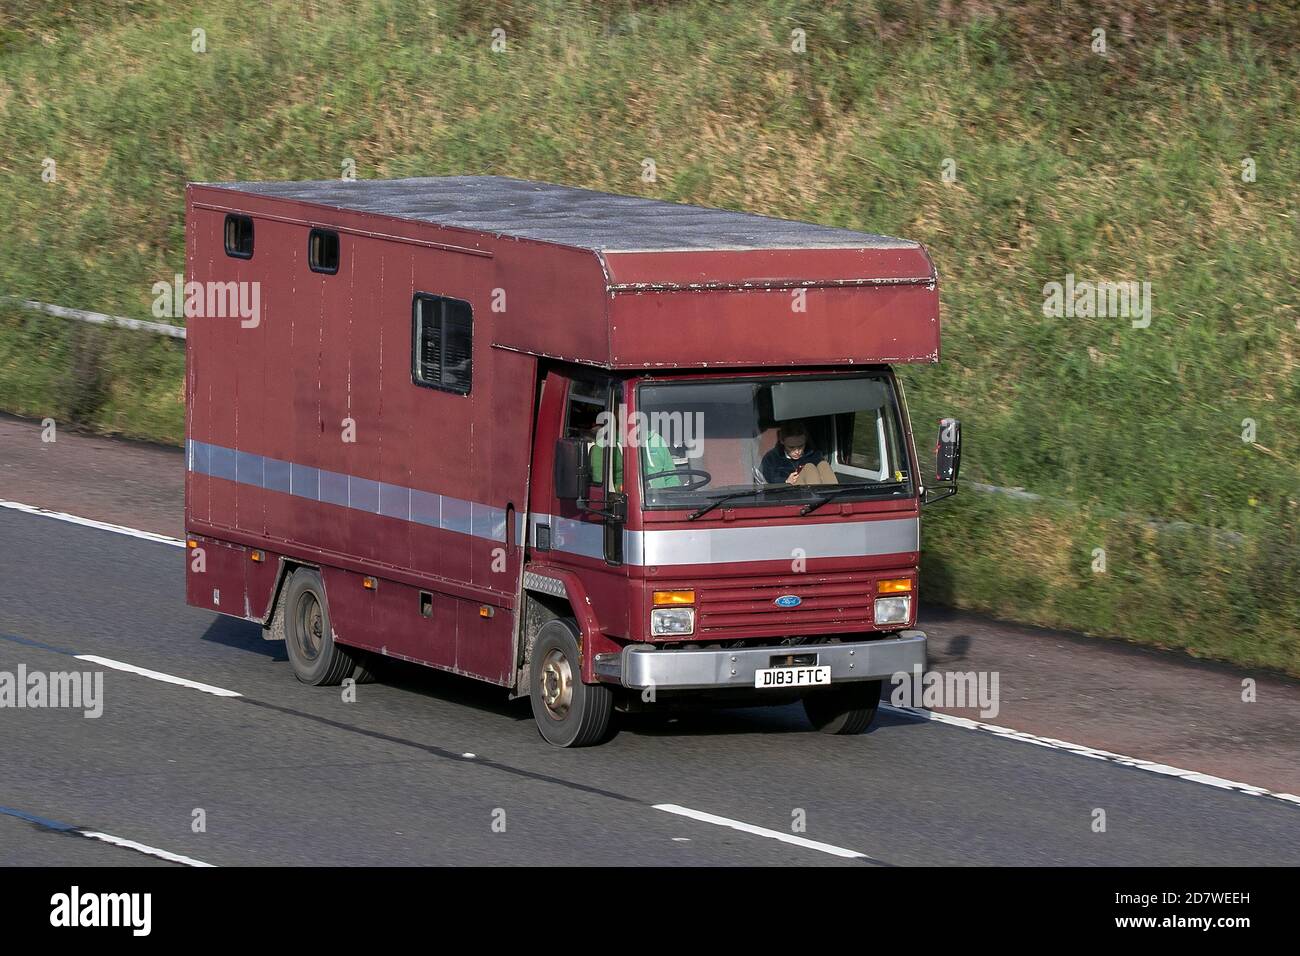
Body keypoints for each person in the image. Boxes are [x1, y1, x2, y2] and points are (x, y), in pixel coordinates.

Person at [760, 420, 838, 485]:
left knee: (823, 465)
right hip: (788, 494)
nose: (797, 451)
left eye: (801, 446)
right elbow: (769, 479)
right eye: (791, 447)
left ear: (805, 441)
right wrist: (786, 481)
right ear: (782, 441)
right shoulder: (772, 458)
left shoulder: (814, 454)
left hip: (813, 490)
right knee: (809, 468)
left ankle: (836, 499)